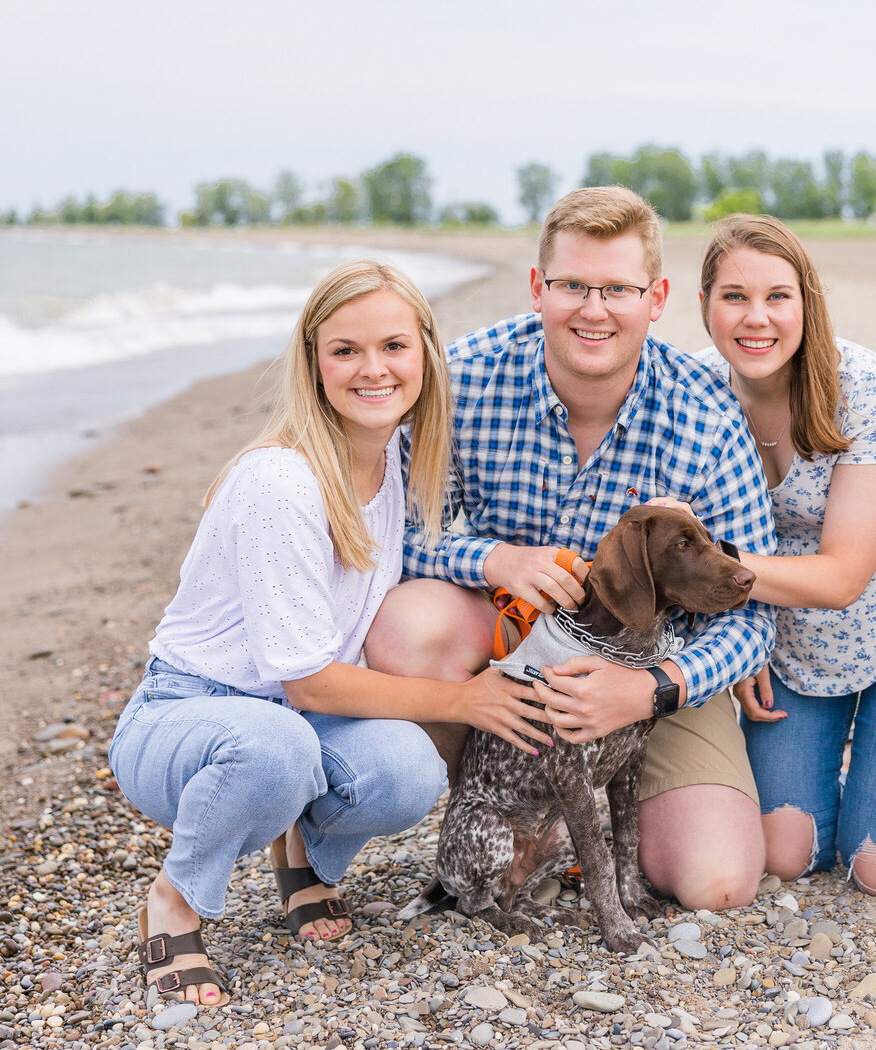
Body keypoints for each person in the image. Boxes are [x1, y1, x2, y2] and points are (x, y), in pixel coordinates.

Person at [109, 261, 550, 1006]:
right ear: (314, 363)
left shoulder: (394, 465)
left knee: (409, 768)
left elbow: (431, 553)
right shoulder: (283, 479)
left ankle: (303, 855)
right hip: (187, 717)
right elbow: (309, 681)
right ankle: (175, 899)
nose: (372, 368)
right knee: (279, 748)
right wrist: (466, 700)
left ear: (425, 357)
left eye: (393, 347)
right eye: (345, 350)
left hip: (296, 723)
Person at [365, 186, 778, 911]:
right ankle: (498, 818)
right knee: (406, 625)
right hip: (513, 646)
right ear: (537, 288)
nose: (594, 310)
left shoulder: (708, 415)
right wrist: (495, 559)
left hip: (651, 677)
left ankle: (587, 830)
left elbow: (753, 614)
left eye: (618, 288)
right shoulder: (464, 379)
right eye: (572, 286)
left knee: (718, 880)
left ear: (656, 298)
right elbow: (398, 534)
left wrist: (653, 685)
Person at [688, 215, 876, 897]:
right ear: (703, 303)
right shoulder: (696, 392)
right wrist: (740, 647)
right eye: (733, 296)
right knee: (784, 853)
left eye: (777, 297)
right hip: (794, 636)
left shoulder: (864, 386)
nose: (755, 318)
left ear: (807, 303)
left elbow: (843, 576)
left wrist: (711, 569)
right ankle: (874, 773)